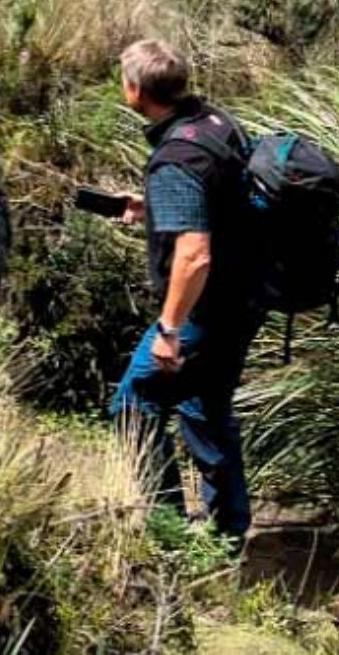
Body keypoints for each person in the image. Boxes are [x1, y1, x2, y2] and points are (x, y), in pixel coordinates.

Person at [107, 39, 265, 548]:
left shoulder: (176, 158)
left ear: (135, 91)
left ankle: (169, 531)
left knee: (134, 403)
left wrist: (170, 330)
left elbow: (195, 255)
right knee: (204, 407)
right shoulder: (216, 122)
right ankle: (227, 535)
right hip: (247, 295)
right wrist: (151, 207)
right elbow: (223, 203)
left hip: (206, 310)